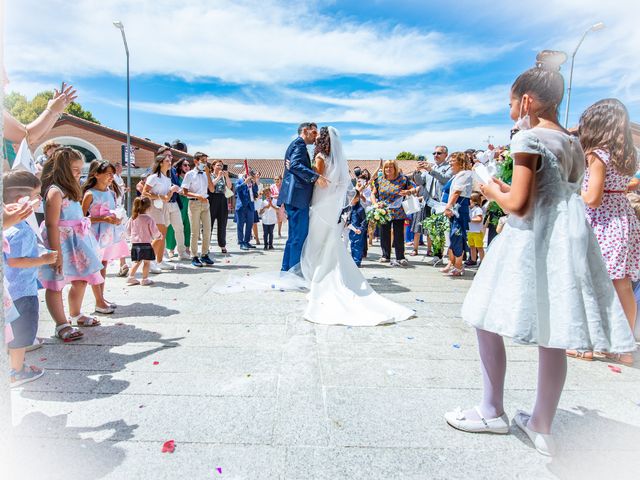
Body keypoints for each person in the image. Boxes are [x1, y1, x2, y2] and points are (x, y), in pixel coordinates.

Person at [445, 55, 636, 457]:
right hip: (565, 239)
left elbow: (518, 203)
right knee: (553, 331)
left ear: (527, 101)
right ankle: (541, 423)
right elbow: (557, 190)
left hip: (531, 237)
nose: (510, 109)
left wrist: (488, 185)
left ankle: (491, 409)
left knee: (483, 317)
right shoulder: (573, 142)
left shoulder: (527, 139)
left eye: (511, 102)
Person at [294, 127, 414, 325]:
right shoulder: (338, 160)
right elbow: (342, 185)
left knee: (318, 239)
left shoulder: (321, 157)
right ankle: (326, 274)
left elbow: (320, 182)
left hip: (321, 204)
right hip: (331, 205)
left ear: (321, 140)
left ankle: (320, 278)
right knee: (329, 240)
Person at [565, 99, 640, 365]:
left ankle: (584, 344)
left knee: (589, 283)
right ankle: (624, 348)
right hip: (624, 220)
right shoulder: (627, 153)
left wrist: (572, 189)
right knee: (623, 285)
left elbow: (593, 197)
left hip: (601, 222)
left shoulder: (597, 153)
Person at [40, 147, 105, 340]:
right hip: (60, 243)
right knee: (56, 283)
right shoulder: (55, 191)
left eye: (80, 169)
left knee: (81, 280)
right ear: (62, 170)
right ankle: (61, 324)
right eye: (75, 169)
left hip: (77, 243)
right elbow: (52, 224)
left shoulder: (72, 190)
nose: (79, 173)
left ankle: (76, 314)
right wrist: (55, 253)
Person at [3, 171, 57, 386]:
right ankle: (17, 371)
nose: (40, 200)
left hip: (11, 290)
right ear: (21, 200)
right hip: (22, 290)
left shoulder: (8, 226)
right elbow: (16, 261)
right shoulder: (21, 230)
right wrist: (44, 259)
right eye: (36, 195)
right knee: (21, 334)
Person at [278, 122, 328, 271]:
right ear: (305, 131)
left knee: (294, 238)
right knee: (298, 238)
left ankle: (286, 271)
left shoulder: (297, 145)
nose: (316, 137)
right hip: (297, 198)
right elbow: (294, 165)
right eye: (314, 133)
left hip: (295, 197)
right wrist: (316, 176)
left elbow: (293, 165)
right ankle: (294, 274)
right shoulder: (298, 144)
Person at [82, 160, 128, 314]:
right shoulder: (90, 194)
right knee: (96, 267)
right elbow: (81, 219)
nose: (111, 176)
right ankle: (98, 301)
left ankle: (101, 297)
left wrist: (116, 218)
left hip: (107, 235)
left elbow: (113, 210)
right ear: (96, 174)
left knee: (104, 265)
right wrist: (103, 219)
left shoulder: (111, 193)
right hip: (93, 235)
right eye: (108, 173)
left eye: (112, 173)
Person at [372, 160, 417, 266]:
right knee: (384, 234)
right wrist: (375, 204)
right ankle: (385, 255)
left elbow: (414, 189)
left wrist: (409, 192)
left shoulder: (403, 179)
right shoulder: (379, 180)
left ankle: (400, 257)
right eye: (386, 167)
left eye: (391, 167)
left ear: (395, 168)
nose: (388, 169)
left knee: (398, 234)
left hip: (399, 211)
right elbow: (373, 194)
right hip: (384, 211)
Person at [142, 155, 180, 272]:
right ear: (160, 163)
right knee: (160, 233)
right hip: (153, 206)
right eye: (167, 161)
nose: (170, 163)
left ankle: (159, 261)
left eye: (170, 161)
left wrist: (171, 190)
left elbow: (166, 198)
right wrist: (159, 196)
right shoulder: (153, 177)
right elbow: (144, 192)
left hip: (163, 206)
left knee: (162, 233)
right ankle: (149, 261)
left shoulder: (167, 179)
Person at [440, 152, 473, 276]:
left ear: (460, 162)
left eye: (452, 160)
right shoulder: (458, 174)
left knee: (457, 236)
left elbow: (457, 192)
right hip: (455, 208)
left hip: (458, 208)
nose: (450, 162)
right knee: (454, 236)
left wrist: (449, 206)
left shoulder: (464, 174)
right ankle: (454, 264)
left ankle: (459, 266)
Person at [181, 152, 215, 267]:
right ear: (196, 161)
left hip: (205, 204)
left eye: (206, 161)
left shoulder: (206, 174)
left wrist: (208, 174)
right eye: (203, 160)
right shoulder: (189, 174)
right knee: (194, 232)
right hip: (194, 203)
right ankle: (194, 256)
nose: (205, 163)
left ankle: (205, 254)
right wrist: (197, 196)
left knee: (207, 230)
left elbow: (212, 189)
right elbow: (184, 192)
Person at [157, 147, 188, 262]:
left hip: (174, 202)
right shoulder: (155, 171)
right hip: (163, 204)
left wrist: (178, 190)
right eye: (167, 156)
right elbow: (145, 188)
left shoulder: (173, 170)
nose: (170, 158)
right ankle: (163, 254)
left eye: (171, 156)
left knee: (179, 227)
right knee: (163, 230)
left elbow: (176, 184)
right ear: (160, 157)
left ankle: (182, 252)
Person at [126, 197, 162, 286]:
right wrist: (159, 236)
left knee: (137, 262)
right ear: (149, 207)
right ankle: (144, 279)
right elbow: (154, 231)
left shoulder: (133, 218)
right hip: (146, 244)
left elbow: (127, 230)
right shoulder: (149, 219)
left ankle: (130, 277)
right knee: (146, 262)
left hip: (135, 244)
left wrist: (130, 237)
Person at [165, 157, 192, 258]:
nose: (187, 167)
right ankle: (171, 249)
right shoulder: (176, 177)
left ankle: (186, 248)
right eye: (185, 165)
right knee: (173, 227)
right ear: (180, 166)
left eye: (188, 165)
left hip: (189, 203)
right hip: (179, 203)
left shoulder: (190, 178)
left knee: (187, 226)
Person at [208, 160, 233, 254]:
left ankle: (222, 244)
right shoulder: (210, 175)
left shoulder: (223, 176)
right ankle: (207, 244)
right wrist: (218, 176)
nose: (220, 167)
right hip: (212, 199)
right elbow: (211, 185)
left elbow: (229, 187)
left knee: (222, 223)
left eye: (221, 166)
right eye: (218, 165)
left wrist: (226, 176)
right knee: (209, 223)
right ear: (213, 166)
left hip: (222, 199)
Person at [235, 172, 259, 251]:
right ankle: (241, 242)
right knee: (240, 225)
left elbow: (255, 192)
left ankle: (247, 241)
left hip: (250, 206)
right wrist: (245, 182)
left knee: (250, 224)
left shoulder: (252, 182)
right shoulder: (239, 180)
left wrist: (255, 183)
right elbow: (237, 189)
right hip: (241, 206)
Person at [348, 184, 367, 267]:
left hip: (358, 231)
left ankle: (357, 261)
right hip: (352, 230)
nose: (350, 199)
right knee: (352, 245)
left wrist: (361, 229)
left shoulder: (360, 209)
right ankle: (353, 260)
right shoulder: (352, 208)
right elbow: (350, 218)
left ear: (357, 198)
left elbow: (364, 220)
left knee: (358, 246)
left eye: (352, 198)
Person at [465, 192, 485, 267]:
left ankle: (482, 261)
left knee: (479, 247)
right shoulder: (470, 209)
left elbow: (479, 219)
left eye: (469, 199)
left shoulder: (478, 209)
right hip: (470, 231)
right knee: (472, 246)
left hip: (477, 231)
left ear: (474, 201)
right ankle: (473, 260)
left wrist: (470, 220)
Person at [252, 172, 263, 245]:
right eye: (256, 174)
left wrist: (258, 196)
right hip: (251, 202)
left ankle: (257, 237)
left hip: (257, 202)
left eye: (259, 174)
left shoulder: (261, 184)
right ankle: (252, 235)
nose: (257, 175)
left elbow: (261, 192)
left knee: (254, 222)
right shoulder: (251, 183)